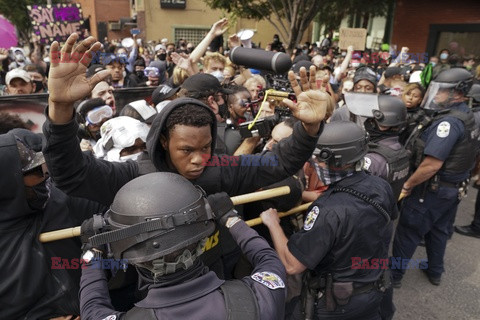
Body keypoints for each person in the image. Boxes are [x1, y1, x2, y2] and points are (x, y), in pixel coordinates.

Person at [42, 33, 328, 278]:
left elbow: (278, 162)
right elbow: (71, 173)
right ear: (164, 141)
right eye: (186, 150)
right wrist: (59, 110)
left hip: (219, 281)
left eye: (205, 148)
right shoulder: (133, 177)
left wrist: (309, 128)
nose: (197, 159)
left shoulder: (221, 170)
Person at [79, 172, 286, 319]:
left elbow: (92, 307)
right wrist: (230, 218)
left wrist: (92, 251)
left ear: (131, 257)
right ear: (204, 240)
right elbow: (268, 259)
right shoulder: (261, 299)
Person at [261, 121, 397, 319]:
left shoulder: (327, 210)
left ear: (332, 160)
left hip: (337, 303)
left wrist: (273, 223)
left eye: (318, 159)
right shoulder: (380, 185)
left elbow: (292, 265)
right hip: (375, 289)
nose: (316, 164)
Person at [0, 128, 105, 319]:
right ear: (7, 182)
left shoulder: (59, 201)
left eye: (45, 166)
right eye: (35, 171)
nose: (46, 175)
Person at [392, 68, 476, 287]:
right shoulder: (467, 114)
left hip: (431, 189)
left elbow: (431, 164)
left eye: (442, 91)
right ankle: (435, 271)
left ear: (458, 92)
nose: (436, 95)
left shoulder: (447, 123)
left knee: (409, 232)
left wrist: (408, 185)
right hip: (452, 189)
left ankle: (394, 276)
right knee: (438, 230)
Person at [363, 95, 410, 199]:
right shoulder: (400, 150)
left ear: (382, 126)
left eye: (371, 120)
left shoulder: (373, 159)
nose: (367, 123)